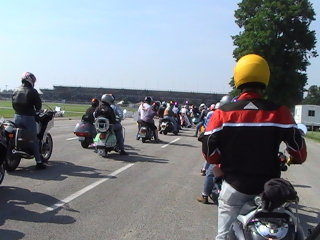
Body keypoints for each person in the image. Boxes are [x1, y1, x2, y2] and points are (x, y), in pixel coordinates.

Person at [200, 54, 307, 240]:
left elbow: (209, 151)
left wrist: (220, 162)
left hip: (234, 185)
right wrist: (293, 158)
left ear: (238, 77)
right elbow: (299, 151)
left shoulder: (222, 114)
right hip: (268, 189)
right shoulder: (279, 112)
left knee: (223, 236)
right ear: (264, 77)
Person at [12, 72, 46, 169]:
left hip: (17, 117)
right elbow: (38, 106)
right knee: (34, 140)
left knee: (15, 137)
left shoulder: (15, 90)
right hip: (28, 118)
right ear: (30, 79)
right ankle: (39, 162)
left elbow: (13, 104)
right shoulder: (32, 91)